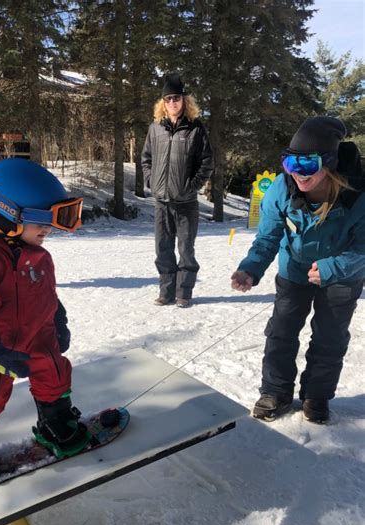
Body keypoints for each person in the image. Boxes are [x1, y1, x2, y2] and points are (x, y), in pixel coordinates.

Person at [0, 158, 90, 492]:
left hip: (40, 336)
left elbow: (47, 293)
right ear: (8, 215)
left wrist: (58, 318)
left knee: (55, 375)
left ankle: (55, 423)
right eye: (43, 222)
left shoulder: (41, 256)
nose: (48, 231)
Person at [231, 116, 365, 424]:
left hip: (343, 276)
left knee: (329, 338)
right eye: (291, 163)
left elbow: (362, 248)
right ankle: (275, 392)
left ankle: (316, 396)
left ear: (329, 163)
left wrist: (334, 267)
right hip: (294, 271)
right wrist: (250, 269)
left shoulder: (357, 195)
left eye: (306, 165)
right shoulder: (281, 188)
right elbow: (267, 237)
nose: (297, 173)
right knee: (281, 332)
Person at [142, 72, 214, 308]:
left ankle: (184, 294)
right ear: (162, 102)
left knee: (185, 250)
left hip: (186, 203)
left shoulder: (195, 128)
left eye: (176, 98)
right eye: (168, 99)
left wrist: (191, 186)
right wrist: (151, 181)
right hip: (162, 201)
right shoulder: (156, 128)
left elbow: (207, 162)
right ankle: (166, 292)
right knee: (162, 249)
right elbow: (146, 158)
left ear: (184, 100)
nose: (172, 102)